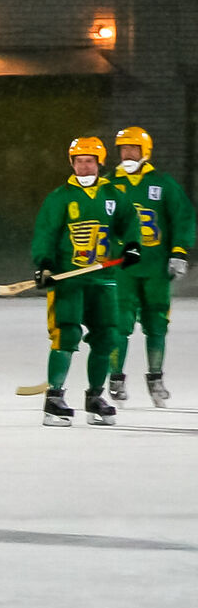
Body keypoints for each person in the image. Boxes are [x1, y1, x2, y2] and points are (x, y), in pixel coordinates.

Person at [31, 136, 141, 426]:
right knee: (66, 335)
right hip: (69, 280)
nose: (83, 166)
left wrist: (132, 244)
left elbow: (130, 221)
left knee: (107, 337)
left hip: (103, 279)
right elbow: (46, 232)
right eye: (78, 161)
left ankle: (95, 397)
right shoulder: (60, 197)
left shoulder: (113, 194)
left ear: (99, 163)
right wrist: (45, 263)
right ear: (72, 164)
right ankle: (54, 399)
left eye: (89, 161)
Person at [107, 126, 195, 407]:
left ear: (145, 151)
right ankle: (115, 379)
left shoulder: (162, 183)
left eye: (133, 148)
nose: (128, 154)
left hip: (156, 267)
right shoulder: (108, 184)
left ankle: (155, 378)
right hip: (123, 268)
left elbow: (182, 217)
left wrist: (179, 251)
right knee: (118, 324)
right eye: (123, 149)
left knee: (157, 324)